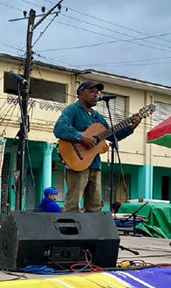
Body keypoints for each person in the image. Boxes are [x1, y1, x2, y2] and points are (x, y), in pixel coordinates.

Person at [54, 81, 141, 213]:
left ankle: (91, 227)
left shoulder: (98, 117)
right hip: (77, 161)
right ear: (80, 94)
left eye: (97, 92)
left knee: (94, 206)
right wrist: (81, 138)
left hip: (94, 164)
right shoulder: (73, 110)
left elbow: (113, 135)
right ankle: (69, 226)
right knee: (73, 203)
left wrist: (132, 126)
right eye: (91, 92)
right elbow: (59, 128)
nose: (95, 95)